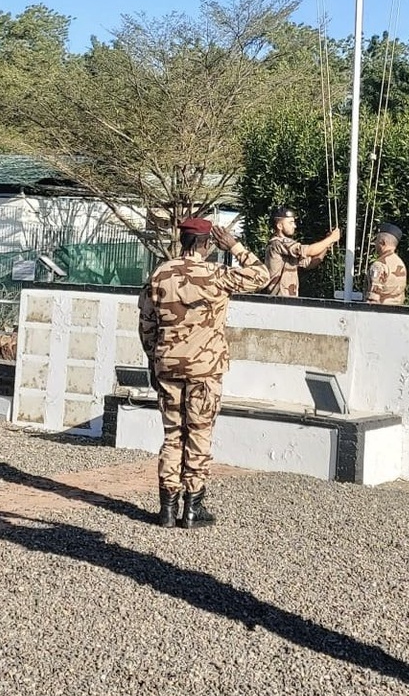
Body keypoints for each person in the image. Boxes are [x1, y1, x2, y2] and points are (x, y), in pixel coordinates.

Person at [138, 217, 269, 528]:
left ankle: (167, 508)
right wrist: (236, 246)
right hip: (205, 369)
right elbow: (262, 276)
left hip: (168, 366)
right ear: (208, 244)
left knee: (173, 435)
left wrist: (154, 359)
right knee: (199, 433)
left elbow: (146, 324)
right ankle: (193, 507)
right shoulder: (216, 275)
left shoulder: (160, 273)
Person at [263, 206, 341, 297]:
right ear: (279, 226)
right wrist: (330, 239)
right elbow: (308, 251)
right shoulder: (278, 243)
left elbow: (311, 263)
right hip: (279, 300)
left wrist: (327, 245)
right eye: (290, 223)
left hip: (288, 300)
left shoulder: (287, 249)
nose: (294, 226)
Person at [366, 222, 407, 306]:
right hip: (396, 312)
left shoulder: (379, 265)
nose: (375, 243)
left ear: (382, 242)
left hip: (380, 313)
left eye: (377, 240)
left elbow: (373, 298)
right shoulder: (400, 264)